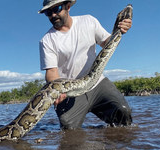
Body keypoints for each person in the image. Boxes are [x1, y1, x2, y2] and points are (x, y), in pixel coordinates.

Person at [38, 0, 133, 129]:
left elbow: (106, 43)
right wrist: (58, 90)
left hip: (97, 83)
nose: (53, 15)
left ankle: (114, 144)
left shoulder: (88, 21)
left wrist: (119, 31)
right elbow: (51, 72)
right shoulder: (47, 40)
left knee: (123, 114)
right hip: (69, 90)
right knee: (68, 129)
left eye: (57, 9)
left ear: (68, 6)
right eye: (48, 12)